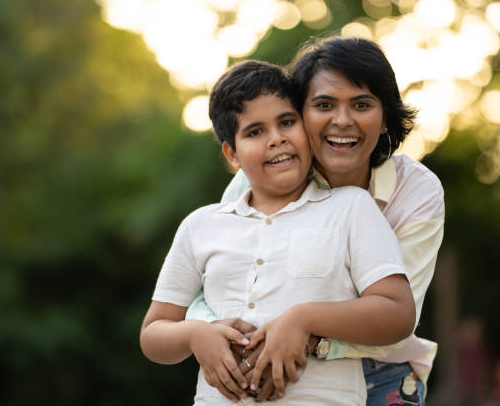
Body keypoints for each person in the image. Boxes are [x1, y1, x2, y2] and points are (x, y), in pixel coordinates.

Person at [140, 60, 416, 405]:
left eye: (287, 122)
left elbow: (397, 314)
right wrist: (196, 334)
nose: (277, 139)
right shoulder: (201, 226)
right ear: (232, 154)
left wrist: (303, 319)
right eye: (255, 132)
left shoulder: (351, 209)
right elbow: (153, 334)